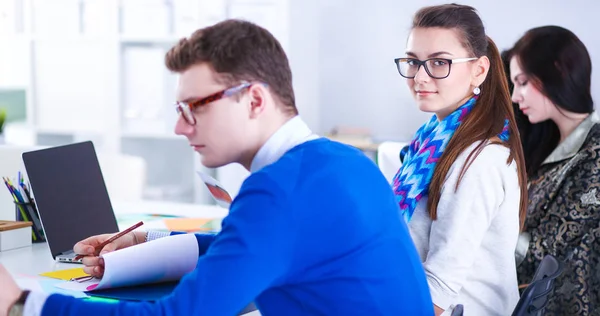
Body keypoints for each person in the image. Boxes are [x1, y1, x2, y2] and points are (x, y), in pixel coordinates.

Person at [0, 19, 434, 316]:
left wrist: (21, 300)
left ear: (255, 100)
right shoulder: (337, 161)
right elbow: (249, 246)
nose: (178, 126)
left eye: (194, 108)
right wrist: (146, 238)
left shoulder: (281, 189)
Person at [391, 4, 528, 316]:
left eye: (439, 62)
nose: (420, 76)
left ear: (479, 70)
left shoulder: (477, 160)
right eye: (413, 62)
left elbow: (438, 293)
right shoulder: (432, 141)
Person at [506, 26, 600, 315]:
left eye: (522, 82)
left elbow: (546, 248)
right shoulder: (545, 146)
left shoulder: (594, 155)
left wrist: (486, 230)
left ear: (557, 71)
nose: (514, 96)